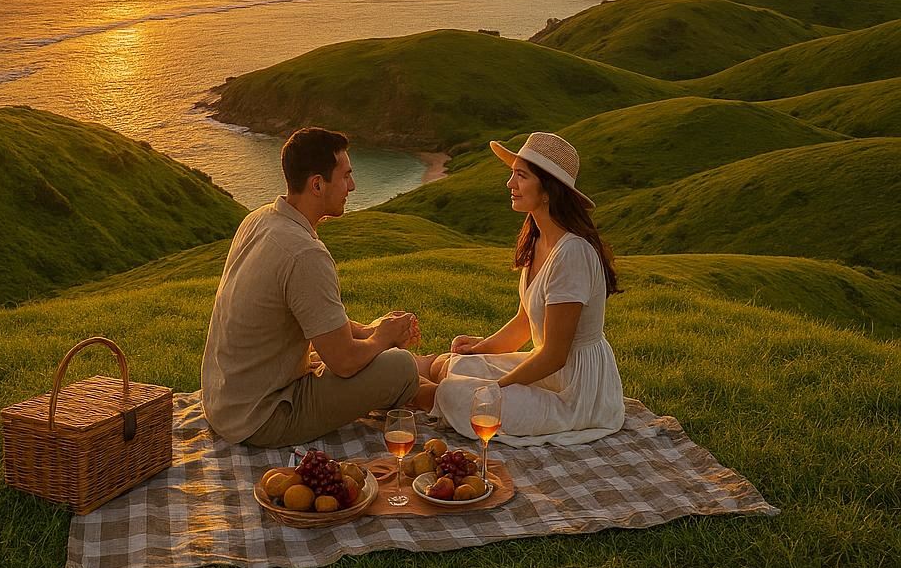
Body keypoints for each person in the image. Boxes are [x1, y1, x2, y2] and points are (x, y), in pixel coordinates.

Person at [201, 127, 421, 447]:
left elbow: (319, 321)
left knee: (369, 352)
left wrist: (373, 330)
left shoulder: (259, 219)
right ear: (317, 184)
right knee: (401, 367)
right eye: (345, 176)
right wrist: (383, 338)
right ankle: (430, 392)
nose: (353, 186)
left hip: (224, 402)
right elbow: (344, 362)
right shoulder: (305, 254)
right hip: (262, 417)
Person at [416, 132, 625, 446]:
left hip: (576, 393)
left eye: (521, 175)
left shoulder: (573, 254)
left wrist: (497, 388)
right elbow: (524, 322)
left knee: (456, 393)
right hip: (551, 372)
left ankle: (386, 388)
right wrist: (480, 348)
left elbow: (554, 355)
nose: (509, 183)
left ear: (547, 190)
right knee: (456, 363)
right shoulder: (539, 239)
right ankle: (391, 377)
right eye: (512, 173)